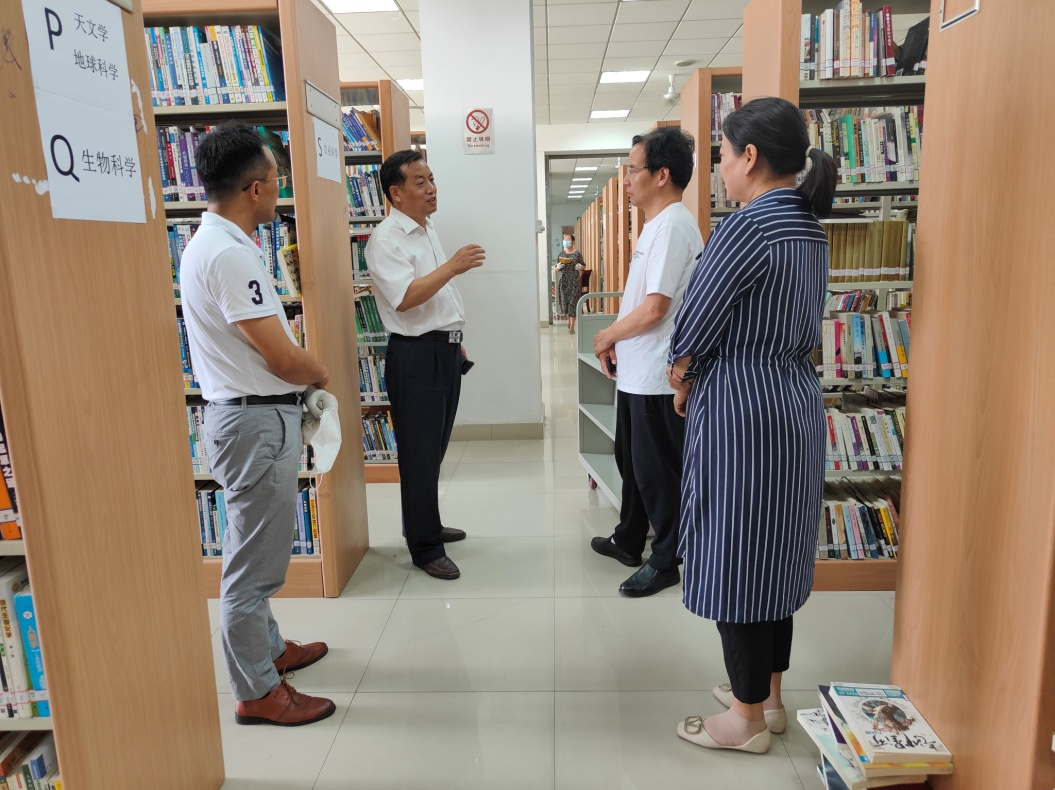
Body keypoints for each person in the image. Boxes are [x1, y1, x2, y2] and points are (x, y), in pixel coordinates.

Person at [667, 97, 838, 754]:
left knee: (734, 552)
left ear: (750, 157)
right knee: (776, 553)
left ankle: (743, 721)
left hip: (741, 406)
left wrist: (682, 375)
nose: (718, 167)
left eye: (722, 154)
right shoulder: (809, 226)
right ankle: (766, 697)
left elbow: (695, 320)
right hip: (794, 399)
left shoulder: (747, 226)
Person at [181, 122, 336, 726]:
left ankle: (268, 652)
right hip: (252, 424)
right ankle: (257, 691)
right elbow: (280, 357)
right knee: (251, 571)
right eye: (276, 180)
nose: (279, 189)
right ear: (254, 189)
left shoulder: (217, 243)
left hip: (248, 418)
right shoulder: (227, 253)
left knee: (256, 550)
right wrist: (319, 371)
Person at [589, 126, 703, 597]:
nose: (626, 180)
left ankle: (666, 558)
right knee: (632, 463)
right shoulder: (655, 225)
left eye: (633, 170)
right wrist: (617, 341)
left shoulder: (674, 226)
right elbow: (641, 299)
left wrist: (607, 335)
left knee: (658, 473)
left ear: (661, 175)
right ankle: (630, 537)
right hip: (637, 371)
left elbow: (656, 309)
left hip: (659, 375)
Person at [365, 150, 485, 580]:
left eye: (431, 179)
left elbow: (436, 298)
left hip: (444, 351)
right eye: (420, 182)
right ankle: (424, 547)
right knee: (418, 454)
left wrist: (454, 337)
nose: (432, 188)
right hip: (416, 356)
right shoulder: (386, 239)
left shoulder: (425, 228)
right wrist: (452, 267)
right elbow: (405, 297)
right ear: (396, 193)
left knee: (433, 450)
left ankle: (425, 524)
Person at [555, 234, 585, 333]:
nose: (565, 241)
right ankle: (569, 321)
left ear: (573, 242)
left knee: (573, 303)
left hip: (574, 281)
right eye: (564, 239)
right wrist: (558, 267)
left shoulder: (577, 254)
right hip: (564, 281)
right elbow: (556, 268)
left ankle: (572, 327)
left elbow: (583, 266)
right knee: (565, 304)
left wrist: (580, 267)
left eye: (568, 239)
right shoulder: (561, 254)